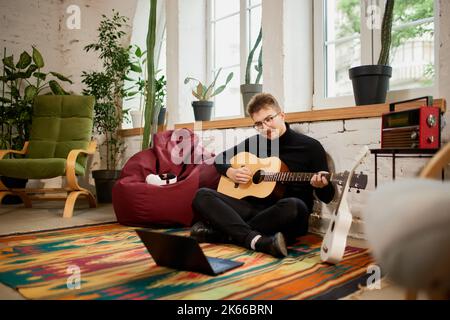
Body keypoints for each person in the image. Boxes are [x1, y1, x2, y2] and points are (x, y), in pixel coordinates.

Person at [191, 93, 335, 258]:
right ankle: (256, 241)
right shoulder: (255, 143)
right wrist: (231, 171)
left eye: (269, 119)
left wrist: (322, 185)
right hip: (252, 210)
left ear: (282, 115)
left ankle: (225, 233)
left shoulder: (310, 147)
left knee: (294, 206)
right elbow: (220, 158)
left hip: (284, 215)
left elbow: (328, 196)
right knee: (202, 195)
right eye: (258, 124)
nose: (265, 127)